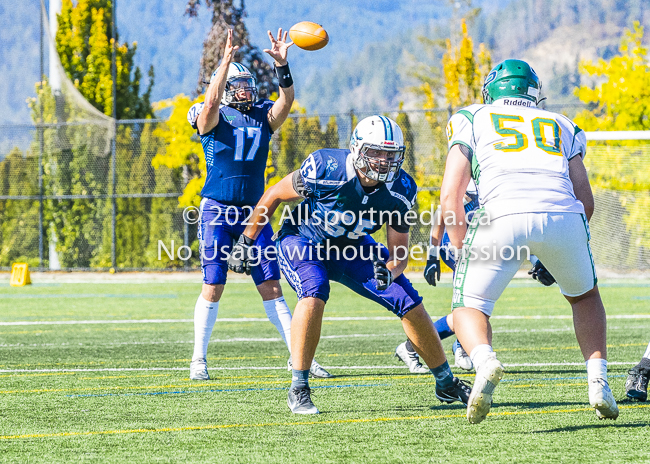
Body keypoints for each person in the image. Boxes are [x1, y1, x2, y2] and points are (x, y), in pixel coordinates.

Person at [228, 115, 471, 414]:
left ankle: (445, 382)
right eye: (376, 152)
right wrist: (246, 240)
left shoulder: (402, 189)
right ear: (357, 149)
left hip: (353, 247)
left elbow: (399, 255)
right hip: (304, 239)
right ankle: (299, 386)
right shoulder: (326, 168)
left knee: (408, 302)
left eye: (390, 155)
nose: (383, 162)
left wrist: (390, 271)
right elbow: (275, 194)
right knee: (314, 290)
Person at [440, 59, 618, 423]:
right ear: (534, 94)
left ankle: (485, 361)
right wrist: (554, 252)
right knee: (584, 297)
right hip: (563, 214)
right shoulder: (562, 123)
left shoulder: (472, 117)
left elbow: (450, 197)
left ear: (493, 90)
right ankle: (598, 381)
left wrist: (459, 246)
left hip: (500, 214)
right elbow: (586, 201)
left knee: (468, 307)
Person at [188, 28, 330, 381]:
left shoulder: (261, 115)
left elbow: (286, 102)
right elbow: (208, 104)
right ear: (225, 90)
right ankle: (198, 360)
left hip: (255, 211)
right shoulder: (212, 116)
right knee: (213, 285)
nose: (247, 90)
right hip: (217, 210)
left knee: (272, 287)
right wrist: (223, 64)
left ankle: (301, 359)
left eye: (247, 85)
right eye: (238, 86)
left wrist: (283, 65)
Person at [396, 185, 556, 373]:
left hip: (484, 249)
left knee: (475, 308)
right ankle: (450, 348)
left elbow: (520, 230)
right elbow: (442, 212)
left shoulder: (515, 188)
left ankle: (448, 346)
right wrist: (433, 254)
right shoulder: (479, 181)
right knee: (472, 307)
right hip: (457, 247)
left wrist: (537, 261)